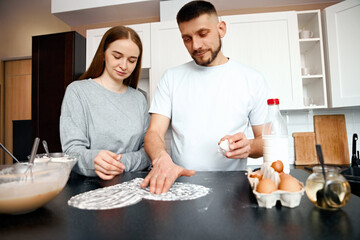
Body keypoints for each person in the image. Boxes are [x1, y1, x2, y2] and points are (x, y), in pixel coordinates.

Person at [140, 0, 268, 194]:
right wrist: (161, 158)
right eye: (187, 38)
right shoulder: (171, 78)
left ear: (221, 29)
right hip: (181, 184)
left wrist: (248, 146)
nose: (196, 45)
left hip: (233, 189)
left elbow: (267, 141)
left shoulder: (252, 79)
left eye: (202, 34)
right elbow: (154, 133)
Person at [60, 26, 151, 180]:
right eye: (117, 56)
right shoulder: (77, 91)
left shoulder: (139, 98)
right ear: (103, 54)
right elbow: (72, 151)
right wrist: (94, 161)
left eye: (131, 60)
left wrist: (118, 164)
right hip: (90, 187)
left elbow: (147, 152)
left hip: (133, 185)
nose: (124, 65)